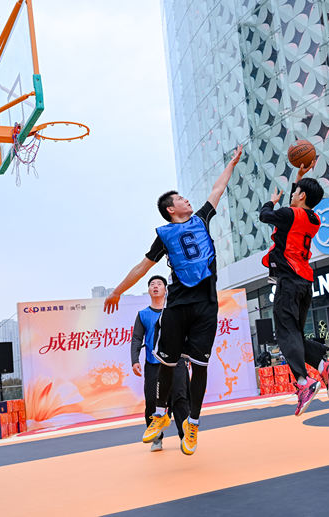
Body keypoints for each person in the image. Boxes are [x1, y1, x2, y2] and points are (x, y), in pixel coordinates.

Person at [104, 144, 243, 456]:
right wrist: (117, 291)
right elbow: (142, 267)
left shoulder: (202, 218)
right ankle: (159, 415)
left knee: (200, 366)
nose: (187, 200)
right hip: (178, 305)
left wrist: (232, 164)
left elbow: (218, 189)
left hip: (205, 304)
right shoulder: (165, 235)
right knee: (167, 362)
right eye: (181, 198)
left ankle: (192, 423)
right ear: (171, 209)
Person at [259, 164, 329, 415]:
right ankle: (322, 366)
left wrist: (271, 202)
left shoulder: (288, 214)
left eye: (295, 192)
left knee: (286, 335)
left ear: (302, 196)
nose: (291, 195)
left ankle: (304, 382)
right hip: (305, 282)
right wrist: (299, 179)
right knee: (293, 333)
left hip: (288, 281)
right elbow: (296, 208)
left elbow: (264, 215)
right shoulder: (314, 219)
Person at [130, 275, 191, 452]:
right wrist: (135, 360)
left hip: (176, 362)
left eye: (159, 284)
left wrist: (189, 357)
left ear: (165, 289)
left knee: (180, 399)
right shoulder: (143, 314)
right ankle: (156, 439)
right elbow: (136, 338)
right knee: (152, 401)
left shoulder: (176, 311)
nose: (155, 286)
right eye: (152, 284)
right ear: (149, 290)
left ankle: (185, 437)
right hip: (153, 364)